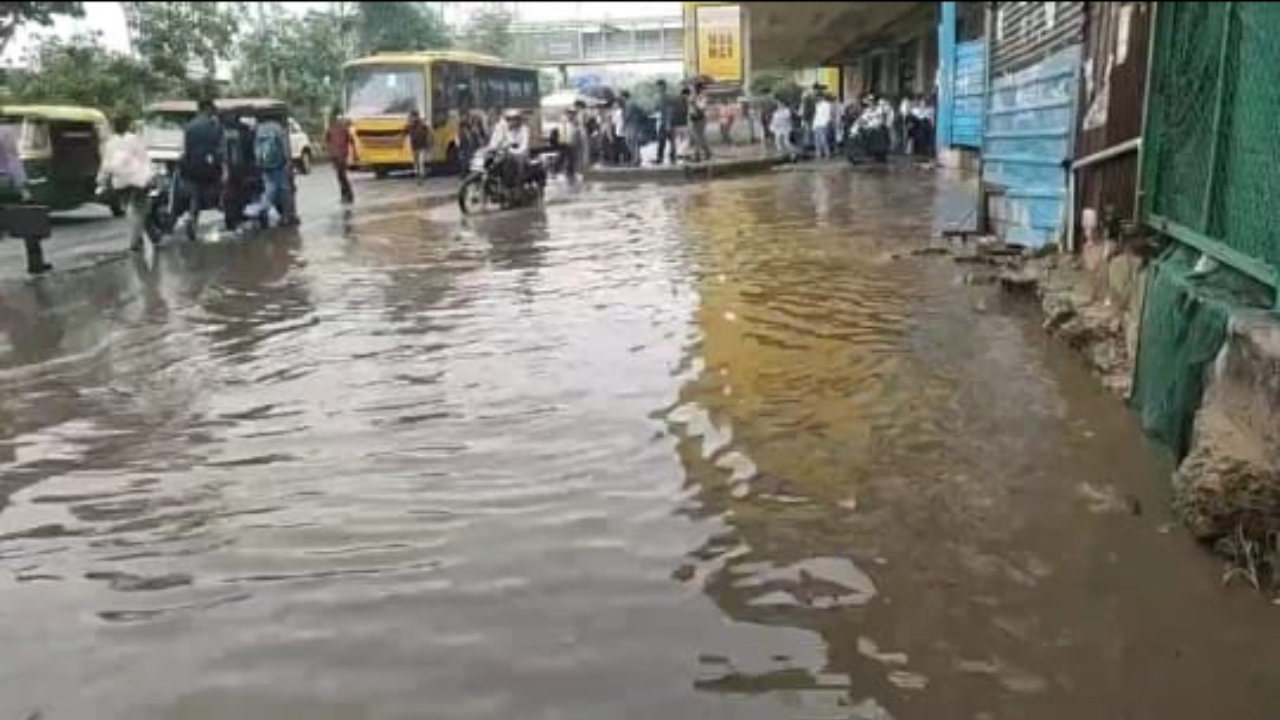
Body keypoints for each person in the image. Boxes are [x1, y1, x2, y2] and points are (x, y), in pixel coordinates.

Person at [97, 114, 154, 251]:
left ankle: (137, 238)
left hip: (120, 182)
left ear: (113, 127)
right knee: (138, 210)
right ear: (127, 125)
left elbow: (106, 164)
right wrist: (150, 176)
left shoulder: (110, 143)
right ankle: (135, 241)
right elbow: (144, 159)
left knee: (129, 210)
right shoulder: (135, 140)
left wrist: (101, 179)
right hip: (137, 180)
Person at [0, 125, 49, 274]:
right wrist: (23, 188)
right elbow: (12, 160)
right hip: (4, 184)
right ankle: (36, 264)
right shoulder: (4, 132)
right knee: (29, 219)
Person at [179, 98, 224, 241]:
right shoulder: (214, 125)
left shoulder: (189, 126)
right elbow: (219, 146)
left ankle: (192, 218)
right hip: (209, 166)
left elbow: (185, 148)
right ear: (207, 109)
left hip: (191, 166)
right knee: (219, 188)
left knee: (195, 195)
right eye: (212, 109)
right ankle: (223, 212)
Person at [254, 115, 297, 226]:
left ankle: (263, 210)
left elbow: (256, 149)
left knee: (269, 189)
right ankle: (287, 215)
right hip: (279, 165)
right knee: (285, 190)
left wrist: (259, 163)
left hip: (265, 165)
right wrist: (288, 161)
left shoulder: (259, 129)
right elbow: (285, 146)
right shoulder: (278, 128)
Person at [488, 109, 531, 189]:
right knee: (499, 163)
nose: (512, 121)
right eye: (510, 119)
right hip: (509, 154)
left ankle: (518, 187)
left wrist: (512, 150)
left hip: (521, 155)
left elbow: (524, 146)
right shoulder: (507, 129)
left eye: (514, 119)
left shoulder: (524, 129)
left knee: (519, 164)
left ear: (519, 119)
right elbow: (500, 141)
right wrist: (493, 147)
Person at [324, 108, 355, 204]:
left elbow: (351, 140)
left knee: (342, 176)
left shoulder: (342, 128)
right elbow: (327, 140)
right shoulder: (332, 128)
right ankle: (346, 195)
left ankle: (347, 195)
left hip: (340, 155)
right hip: (337, 156)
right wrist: (329, 150)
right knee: (340, 176)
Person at [405, 110, 433, 184]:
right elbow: (404, 132)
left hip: (422, 146)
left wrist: (429, 144)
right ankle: (417, 175)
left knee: (420, 162)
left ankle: (421, 177)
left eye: (414, 116)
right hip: (414, 147)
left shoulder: (422, 125)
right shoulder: (409, 126)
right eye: (412, 117)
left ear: (417, 117)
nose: (413, 118)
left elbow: (429, 133)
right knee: (416, 163)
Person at [688, 82, 712, 163]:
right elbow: (690, 107)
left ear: (699, 88)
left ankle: (697, 155)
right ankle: (707, 153)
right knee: (700, 137)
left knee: (698, 137)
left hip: (700, 119)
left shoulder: (703, 97)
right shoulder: (693, 96)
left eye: (695, 88)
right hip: (693, 118)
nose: (694, 89)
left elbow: (702, 108)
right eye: (694, 88)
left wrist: (694, 103)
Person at [653, 79, 674, 165]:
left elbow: (669, 110)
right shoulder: (658, 96)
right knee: (665, 140)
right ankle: (664, 156)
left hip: (667, 122)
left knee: (664, 140)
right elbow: (657, 108)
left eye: (659, 86)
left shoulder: (666, 97)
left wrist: (668, 123)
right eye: (657, 87)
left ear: (663, 87)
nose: (658, 88)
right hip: (662, 121)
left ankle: (661, 157)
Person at [621, 91, 643, 167]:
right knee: (632, 142)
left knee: (632, 142)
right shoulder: (631, 103)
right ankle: (636, 158)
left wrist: (623, 125)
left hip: (631, 126)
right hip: (633, 125)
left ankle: (636, 159)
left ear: (624, 97)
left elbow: (627, 116)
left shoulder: (629, 104)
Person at [812, 93, 834, 159]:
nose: (817, 99)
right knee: (816, 141)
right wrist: (814, 125)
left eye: (818, 97)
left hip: (823, 124)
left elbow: (828, 115)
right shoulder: (817, 105)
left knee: (824, 140)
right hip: (817, 124)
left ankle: (827, 154)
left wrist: (826, 123)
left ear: (821, 97)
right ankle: (818, 155)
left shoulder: (827, 105)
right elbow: (816, 115)